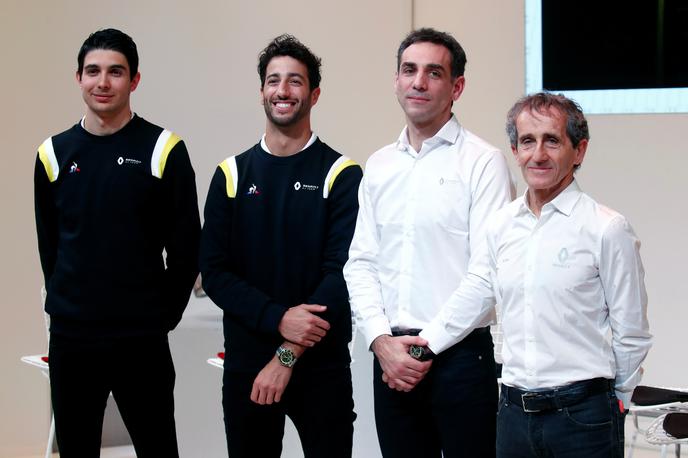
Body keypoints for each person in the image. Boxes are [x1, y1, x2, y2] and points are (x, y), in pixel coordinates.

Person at [420, 92, 652, 457]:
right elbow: (479, 289)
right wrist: (426, 342)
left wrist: (616, 400)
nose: (538, 154)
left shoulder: (606, 228)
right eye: (528, 141)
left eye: (552, 141)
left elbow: (632, 332)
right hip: (513, 416)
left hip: (584, 418)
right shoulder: (500, 226)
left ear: (579, 151)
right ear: (515, 150)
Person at [344, 27, 514, 457]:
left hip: (458, 359)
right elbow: (360, 263)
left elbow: (487, 272)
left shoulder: (483, 161)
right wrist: (380, 340)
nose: (418, 82)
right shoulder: (380, 165)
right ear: (396, 80)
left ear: (456, 86)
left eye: (433, 72)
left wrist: (426, 346)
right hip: (390, 358)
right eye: (409, 70)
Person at [34, 28, 200, 457]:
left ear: (135, 80)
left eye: (115, 72)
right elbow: (50, 248)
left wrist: (159, 317)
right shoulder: (53, 154)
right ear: (78, 78)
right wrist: (67, 306)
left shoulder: (163, 149)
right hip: (73, 339)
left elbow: (185, 251)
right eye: (93, 71)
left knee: (158, 447)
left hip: (140, 338)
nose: (102, 82)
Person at [199, 34, 361, 457]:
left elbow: (340, 273)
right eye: (274, 81)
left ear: (314, 93)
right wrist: (278, 320)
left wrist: (287, 353)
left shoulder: (341, 174)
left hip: (320, 367)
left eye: (295, 81)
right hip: (247, 365)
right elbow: (214, 273)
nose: (283, 91)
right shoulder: (231, 175)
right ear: (262, 93)